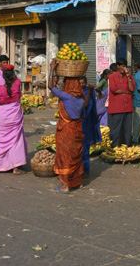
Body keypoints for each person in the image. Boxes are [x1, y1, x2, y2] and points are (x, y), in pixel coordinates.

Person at [48, 59, 85, 193]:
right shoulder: (81, 99)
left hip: (66, 130)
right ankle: (78, 182)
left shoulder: (67, 97)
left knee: (66, 156)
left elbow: (50, 87)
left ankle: (67, 185)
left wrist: (52, 69)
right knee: (76, 156)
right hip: (77, 129)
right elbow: (83, 115)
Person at [0, 64, 27, 175]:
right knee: (16, 141)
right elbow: (15, 80)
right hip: (14, 116)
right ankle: (16, 167)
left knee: (2, 140)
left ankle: (0, 166)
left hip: (3, 117)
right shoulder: (17, 84)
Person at [108, 58, 135, 147]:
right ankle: (114, 146)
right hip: (117, 107)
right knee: (116, 129)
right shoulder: (112, 76)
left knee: (127, 128)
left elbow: (132, 89)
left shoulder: (129, 77)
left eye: (125, 66)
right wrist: (126, 92)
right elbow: (114, 90)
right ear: (118, 66)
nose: (124, 68)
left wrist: (128, 77)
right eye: (123, 66)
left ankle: (127, 145)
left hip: (127, 107)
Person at [79, 76, 101, 177]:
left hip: (86, 121)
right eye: (80, 83)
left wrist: (90, 92)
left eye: (83, 83)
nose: (82, 85)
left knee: (85, 147)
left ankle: (86, 170)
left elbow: (86, 105)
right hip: (78, 122)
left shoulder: (88, 91)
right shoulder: (76, 92)